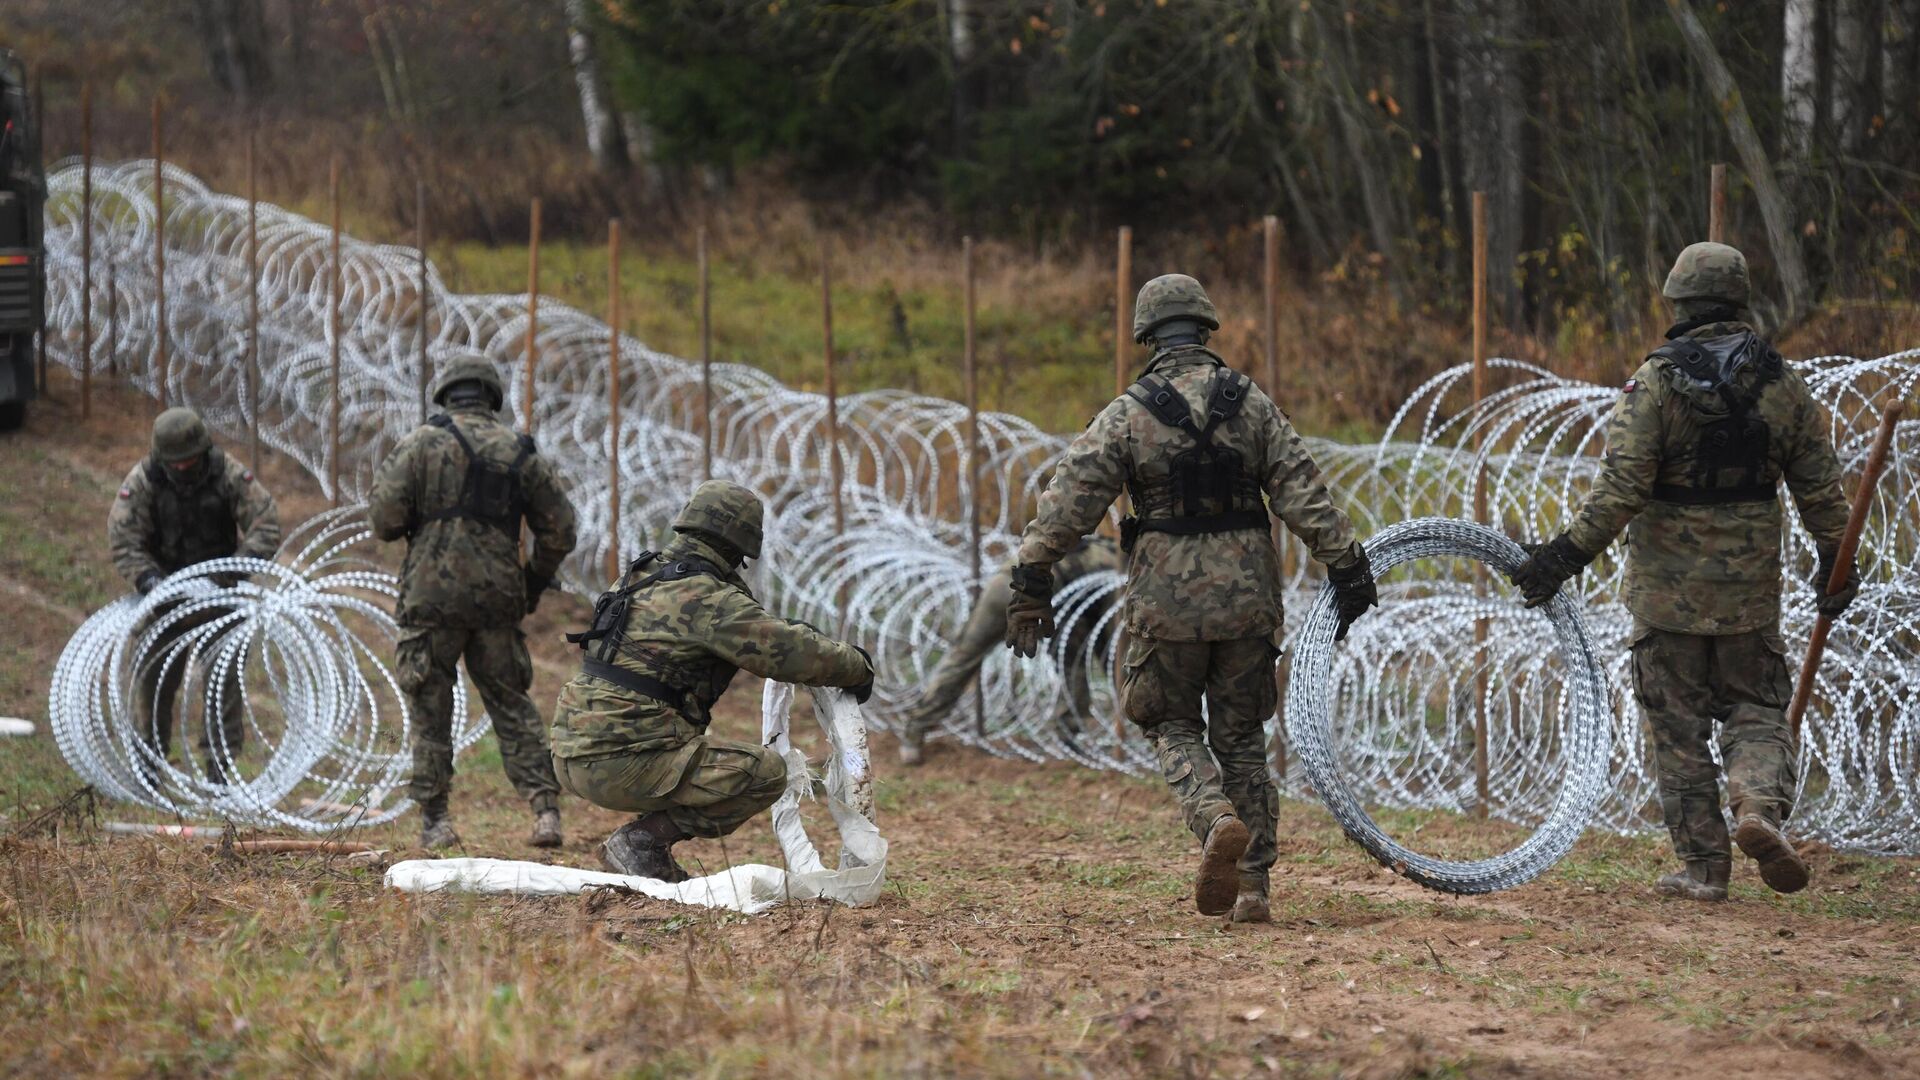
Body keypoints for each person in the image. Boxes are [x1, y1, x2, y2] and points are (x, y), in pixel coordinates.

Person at [1006, 274, 1376, 923]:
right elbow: (1301, 492)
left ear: (1147, 336)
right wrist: (1347, 564)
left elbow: (1070, 502)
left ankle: (1213, 820)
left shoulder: (1129, 412)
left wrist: (1032, 575)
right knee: (1241, 737)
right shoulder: (1251, 404)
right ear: (1206, 328)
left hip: (1164, 601)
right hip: (1247, 599)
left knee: (1168, 721)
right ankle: (1255, 886)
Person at [1511, 241, 1856, 903]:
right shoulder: (1782, 382)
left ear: (1677, 303)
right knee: (1755, 707)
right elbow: (1822, 492)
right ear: (1739, 300)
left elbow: (1619, 491)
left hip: (1667, 594)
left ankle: (1704, 868)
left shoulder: (1658, 381)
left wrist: (1561, 558)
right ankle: (1757, 805)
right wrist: (1840, 566)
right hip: (1750, 591)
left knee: (1677, 726)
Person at [550, 480, 876, 881]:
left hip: (568, 752)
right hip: (617, 762)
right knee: (763, 772)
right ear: (739, 547)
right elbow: (792, 653)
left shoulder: (641, 576)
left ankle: (642, 844)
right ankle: (641, 843)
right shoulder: (709, 597)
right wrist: (856, 666)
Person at [368, 353, 579, 851]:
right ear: (491, 397)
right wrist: (531, 582)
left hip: (430, 597)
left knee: (429, 708)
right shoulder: (519, 451)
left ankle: (436, 820)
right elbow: (561, 530)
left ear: (445, 394)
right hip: (497, 600)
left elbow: (384, 520)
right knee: (511, 704)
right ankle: (544, 811)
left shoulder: (420, 444)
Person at [109, 407, 281, 785]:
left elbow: (266, 522)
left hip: (218, 597)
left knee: (223, 683)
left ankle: (220, 771)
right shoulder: (144, 481)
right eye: (177, 463)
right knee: (153, 682)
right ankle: (149, 767)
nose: (184, 469)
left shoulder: (228, 474)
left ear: (204, 452)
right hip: (165, 601)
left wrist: (230, 572)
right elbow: (124, 539)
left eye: (191, 461)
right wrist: (151, 582)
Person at [896, 535, 1118, 765]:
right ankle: (1066, 739)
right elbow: (1108, 642)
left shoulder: (1068, 537)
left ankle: (915, 730)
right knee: (1073, 665)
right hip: (1039, 598)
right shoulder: (1110, 563)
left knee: (962, 657)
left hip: (1004, 585)